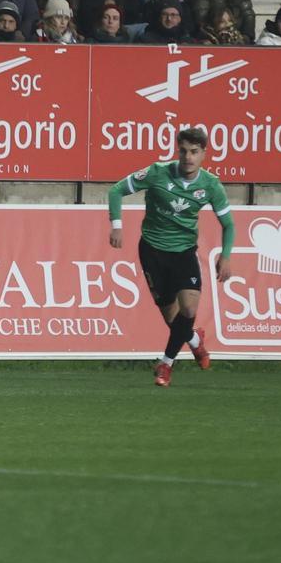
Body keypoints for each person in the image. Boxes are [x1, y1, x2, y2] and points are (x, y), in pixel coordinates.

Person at [107, 127, 234, 388]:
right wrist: (117, 225)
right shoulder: (157, 173)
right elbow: (116, 191)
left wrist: (227, 255)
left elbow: (229, 225)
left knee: (188, 308)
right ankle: (195, 340)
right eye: (184, 151)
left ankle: (165, 364)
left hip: (184, 252)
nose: (188, 157)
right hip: (152, 251)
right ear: (178, 151)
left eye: (194, 152)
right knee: (173, 319)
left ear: (204, 154)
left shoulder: (210, 186)